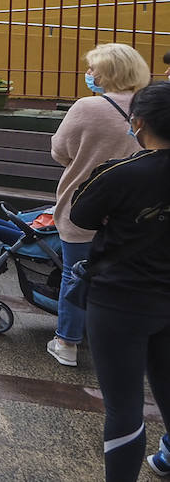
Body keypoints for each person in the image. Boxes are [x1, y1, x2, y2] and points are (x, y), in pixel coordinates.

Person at [68, 82, 170, 481]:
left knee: (125, 405)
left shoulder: (121, 172)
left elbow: (82, 216)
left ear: (138, 122)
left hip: (120, 299)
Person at [48, 42, 150, 367]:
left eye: (93, 69)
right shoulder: (150, 106)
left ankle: (67, 342)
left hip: (82, 204)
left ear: (107, 72)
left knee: (74, 272)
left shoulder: (86, 107)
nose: (88, 74)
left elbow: (59, 151)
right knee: (124, 275)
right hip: (133, 210)